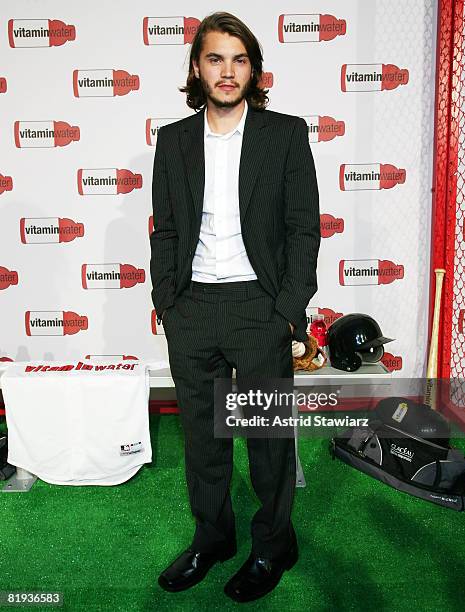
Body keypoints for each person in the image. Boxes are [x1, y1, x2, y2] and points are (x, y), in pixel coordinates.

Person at [150, 11, 320, 603]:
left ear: (255, 68)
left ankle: (274, 545)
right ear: (197, 68)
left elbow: (303, 230)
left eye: (239, 59)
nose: (228, 71)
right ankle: (213, 537)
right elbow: (166, 230)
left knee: (268, 439)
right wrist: (166, 301)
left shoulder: (286, 135)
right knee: (202, 439)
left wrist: (287, 310)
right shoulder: (172, 140)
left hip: (259, 305)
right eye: (216, 58)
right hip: (192, 307)